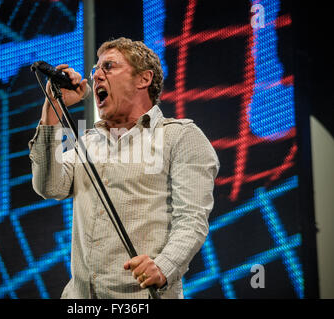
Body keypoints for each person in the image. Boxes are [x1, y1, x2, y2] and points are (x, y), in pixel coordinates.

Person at [28, 37, 219, 298]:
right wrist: (52, 108)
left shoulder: (181, 137)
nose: (96, 77)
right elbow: (48, 187)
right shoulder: (87, 142)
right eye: (95, 70)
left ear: (144, 79)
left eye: (109, 67)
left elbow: (192, 220)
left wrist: (163, 266)